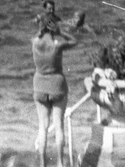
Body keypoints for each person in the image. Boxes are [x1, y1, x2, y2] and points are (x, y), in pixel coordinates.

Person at [31, 14, 77, 167]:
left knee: (42, 127)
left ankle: (43, 163)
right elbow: (74, 41)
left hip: (39, 85)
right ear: (53, 26)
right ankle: (60, 163)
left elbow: (38, 34)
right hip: (57, 84)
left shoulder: (34, 42)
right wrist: (60, 32)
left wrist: (43, 27)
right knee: (58, 126)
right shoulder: (57, 44)